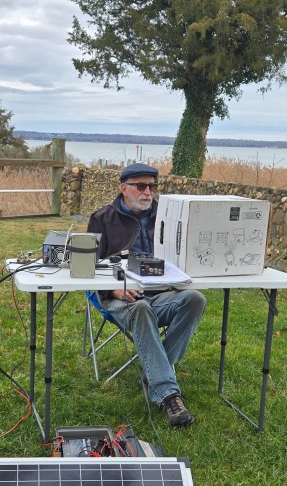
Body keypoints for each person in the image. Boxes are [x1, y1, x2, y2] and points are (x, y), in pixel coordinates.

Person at [87, 163, 206, 427]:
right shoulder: (102, 218)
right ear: (123, 189)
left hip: (163, 292)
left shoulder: (166, 216)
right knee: (141, 308)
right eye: (140, 186)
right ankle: (167, 394)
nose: (147, 192)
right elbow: (87, 267)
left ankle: (155, 370)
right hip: (119, 296)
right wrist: (114, 289)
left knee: (195, 299)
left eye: (151, 186)